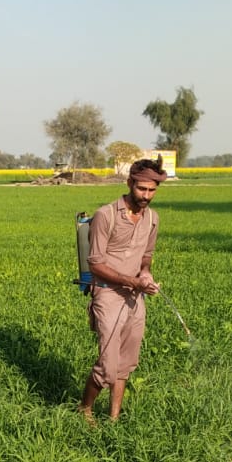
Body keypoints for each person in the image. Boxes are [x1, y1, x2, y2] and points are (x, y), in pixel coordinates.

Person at [79, 156, 167, 422]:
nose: (146, 195)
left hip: (135, 297)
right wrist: (132, 281)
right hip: (108, 294)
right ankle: (84, 409)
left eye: (152, 190)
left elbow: (146, 255)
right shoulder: (106, 215)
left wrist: (146, 273)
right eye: (142, 189)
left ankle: (114, 418)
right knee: (108, 365)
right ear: (130, 183)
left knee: (127, 362)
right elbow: (95, 264)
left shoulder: (152, 218)